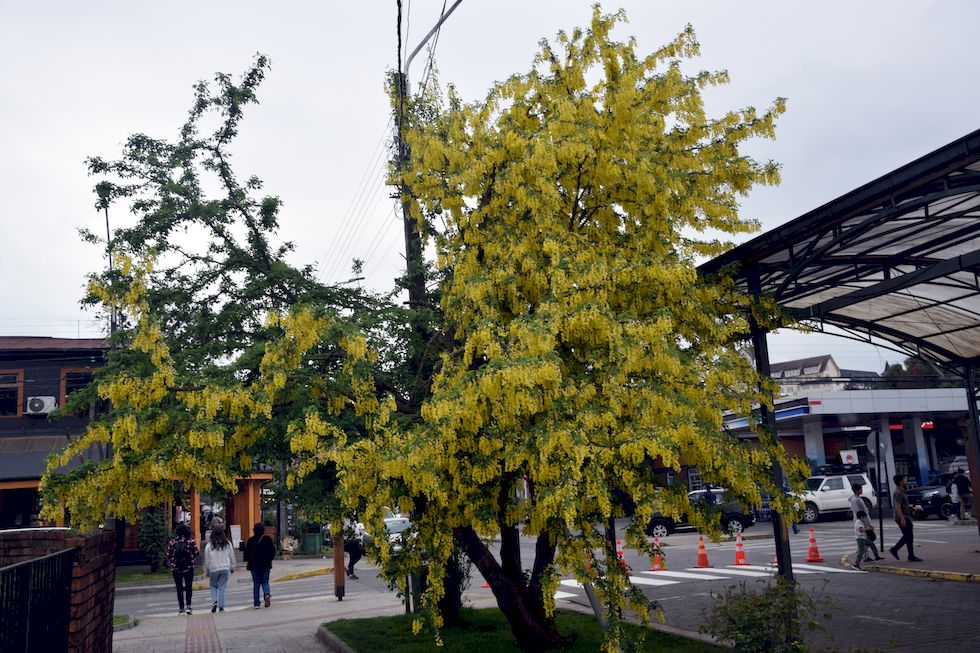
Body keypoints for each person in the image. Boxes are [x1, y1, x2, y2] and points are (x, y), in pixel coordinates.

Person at [166, 523, 199, 615]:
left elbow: (168, 555)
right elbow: (196, 553)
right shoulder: (191, 541)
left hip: (176, 568)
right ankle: (188, 607)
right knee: (188, 587)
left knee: (179, 588)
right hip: (189, 567)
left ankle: (181, 609)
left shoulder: (172, 542)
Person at [889, 474, 923, 562]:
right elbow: (897, 506)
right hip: (901, 517)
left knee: (909, 536)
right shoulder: (898, 493)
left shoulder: (901, 491)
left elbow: (903, 505)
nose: (905, 480)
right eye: (904, 479)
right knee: (908, 536)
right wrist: (902, 518)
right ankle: (895, 549)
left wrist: (912, 508)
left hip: (905, 515)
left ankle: (910, 555)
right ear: (900, 482)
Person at [203, 524, 236, 613]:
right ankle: (221, 607)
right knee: (222, 587)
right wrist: (232, 566)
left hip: (213, 568)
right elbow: (232, 556)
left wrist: (206, 570)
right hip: (225, 568)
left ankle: (214, 601)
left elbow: (207, 559)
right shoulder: (227, 543)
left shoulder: (209, 545)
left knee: (213, 585)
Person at [244, 522, 276, 609]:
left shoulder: (250, 540)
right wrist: (269, 560)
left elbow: (246, 554)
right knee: (265, 582)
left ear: (254, 530)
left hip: (254, 565)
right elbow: (273, 552)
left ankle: (257, 603)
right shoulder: (267, 539)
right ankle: (267, 594)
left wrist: (249, 561)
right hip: (265, 565)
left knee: (256, 584)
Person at [849, 483, 882, 562]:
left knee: (869, 538)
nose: (862, 490)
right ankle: (863, 553)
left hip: (865, 521)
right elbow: (858, 512)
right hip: (863, 522)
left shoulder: (857, 498)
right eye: (860, 489)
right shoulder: (855, 500)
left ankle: (865, 553)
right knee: (870, 538)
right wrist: (864, 523)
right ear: (857, 491)